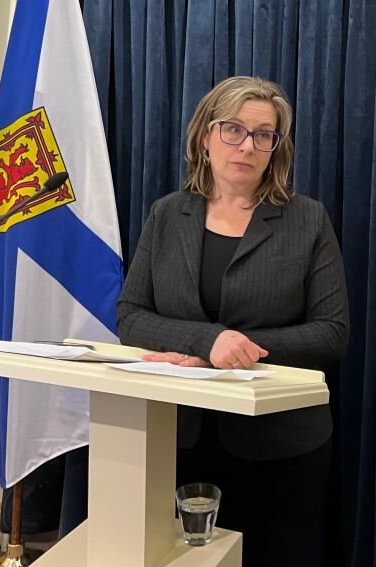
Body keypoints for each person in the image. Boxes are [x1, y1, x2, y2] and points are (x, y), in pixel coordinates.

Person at [117, 76, 349, 566]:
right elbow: (131, 317)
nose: (247, 144)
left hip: (281, 444)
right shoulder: (166, 215)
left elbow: (332, 332)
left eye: (264, 134)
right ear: (205, 136)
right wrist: (210, 341)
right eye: (233, 129)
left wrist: (237, 349)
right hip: (179, 435)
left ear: (275, 149)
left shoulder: (307, 219)